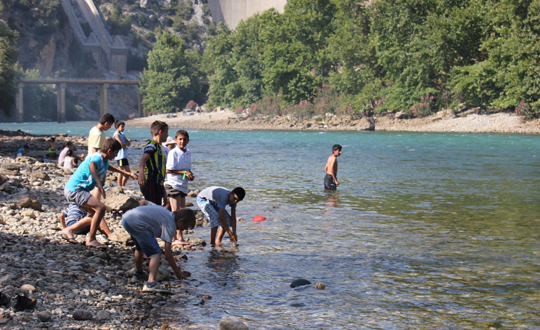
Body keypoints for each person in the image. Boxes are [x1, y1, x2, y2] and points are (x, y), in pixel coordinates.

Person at [64, 138, 137, 249]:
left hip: (73, 190)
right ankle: (91, 239)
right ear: (109, 151)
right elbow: (92, 166)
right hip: (75, 190)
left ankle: (69, 229)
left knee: (95, 213)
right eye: (116, 153)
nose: (116, 156)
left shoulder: (104, 160)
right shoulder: (97, 157)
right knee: (101, 208)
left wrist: (125, 173)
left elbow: (109, 167)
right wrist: (99, 184)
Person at [122, 200, 196, 293]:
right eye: (184, 228)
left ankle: (138, 273)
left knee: (139, 247)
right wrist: (178, 273)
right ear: (181, 221)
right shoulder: (171, 224)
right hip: (138, 224)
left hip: (127, 218)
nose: (182, 230)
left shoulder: (165, 212)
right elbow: (168, 254)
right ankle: (151, 283)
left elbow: (145, 202)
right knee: (156, 252)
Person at [164, 130, 195, 246]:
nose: (182, 141)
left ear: (188, 141)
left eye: (184, 139)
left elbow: (187, 169)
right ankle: (172, 238)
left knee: (182, 211)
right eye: (180, 139)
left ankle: (179, 236)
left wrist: (190, 175)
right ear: (175, 140)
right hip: (173, 184)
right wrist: (184, 173)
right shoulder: (173, 152)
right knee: (175, 212)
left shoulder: (188, 152)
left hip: (183, 185)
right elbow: (168, 170)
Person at [138, 121, 168, 206]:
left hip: (158, 182)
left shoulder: (160, 148)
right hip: (151, 181)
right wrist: (141, 175)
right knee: (152, 207)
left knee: (157, 206)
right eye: (166, 132)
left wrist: (163, 190)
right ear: (160, 132)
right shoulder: (152, 144)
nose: (167, 135)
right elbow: (143, 159)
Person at [113, 120, 132, 187]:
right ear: (117, 127)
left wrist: (125, 144)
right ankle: (119, 186)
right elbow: (120, 144)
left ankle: (122, 186)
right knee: (120, 171)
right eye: (122, 127)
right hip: (120, 155)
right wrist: (125, 144)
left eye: (123, 127)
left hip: (124, 155)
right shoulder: (116, 134)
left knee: (128, 171)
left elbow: (129, 143)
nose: (123, 128)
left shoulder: (122, 134)